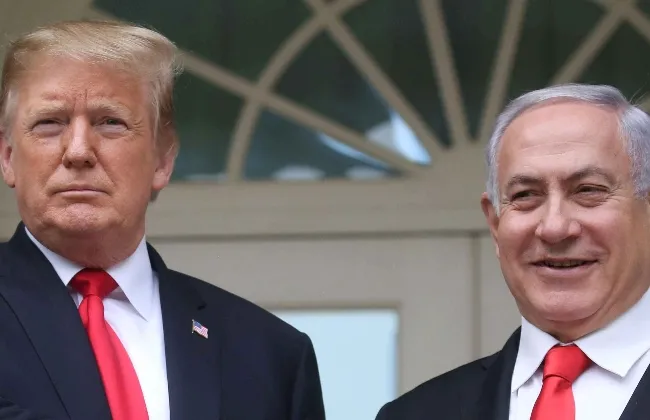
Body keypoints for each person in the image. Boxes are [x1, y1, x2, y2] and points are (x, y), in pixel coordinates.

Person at [0, 20, 326, 420]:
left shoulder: (271, 355)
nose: (78, 151)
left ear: (162, 160)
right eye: (49, 123)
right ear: (7, 157)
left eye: (110, 122)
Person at [375, 83, 650, 420]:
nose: (554, 227)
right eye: (525, 195)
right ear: (494, 223)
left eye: (588, 190)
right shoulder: (415, 414)